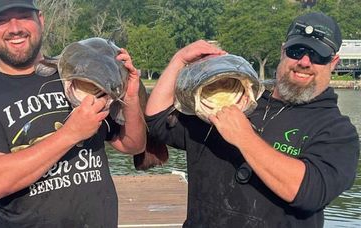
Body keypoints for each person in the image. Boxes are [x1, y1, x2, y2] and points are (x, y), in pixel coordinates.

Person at [145, 12, 359, 227]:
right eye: (297, 51)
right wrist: (180, 59)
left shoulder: (338, 132)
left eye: (318, 55)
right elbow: (158, 120)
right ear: (283, 51)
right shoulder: (236, 100)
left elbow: (308, 192)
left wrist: (244, 137)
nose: (304, 62)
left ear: (333, 62)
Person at [0, 0, 146, 227]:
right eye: (1, 20)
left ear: (40, 19)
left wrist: (130, 98)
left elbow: (133, 145)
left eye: (24, 16)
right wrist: (70, 134)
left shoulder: (79, 72)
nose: (15, 27)